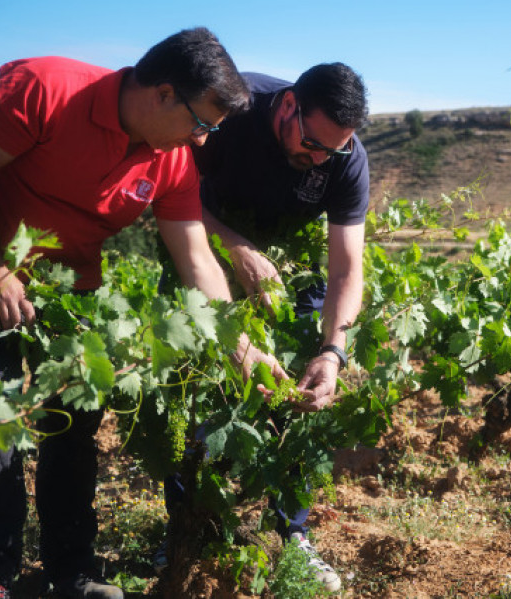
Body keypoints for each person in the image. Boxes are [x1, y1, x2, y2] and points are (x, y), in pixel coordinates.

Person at [0, 27, 282, 599]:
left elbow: (195, 255)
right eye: (202, 123)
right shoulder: (46, 89)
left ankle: (70, 570)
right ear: (163, 93)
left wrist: (239, 345)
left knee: (73, 428)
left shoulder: (170, 161)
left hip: (72, 297)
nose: (202, 141)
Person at [159, 63, 369, 592]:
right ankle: (188, 533)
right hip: (196, 249)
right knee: (195, 394)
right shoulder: (228, 110)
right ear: (289, 103)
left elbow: (346, 268)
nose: (319, 157)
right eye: (312, 142)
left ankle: (291, 534)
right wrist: (236, 246)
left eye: (333, 150)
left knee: (301, 397)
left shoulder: (346, 159)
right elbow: (166, 195)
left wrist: (332, 351)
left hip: (289, 273)